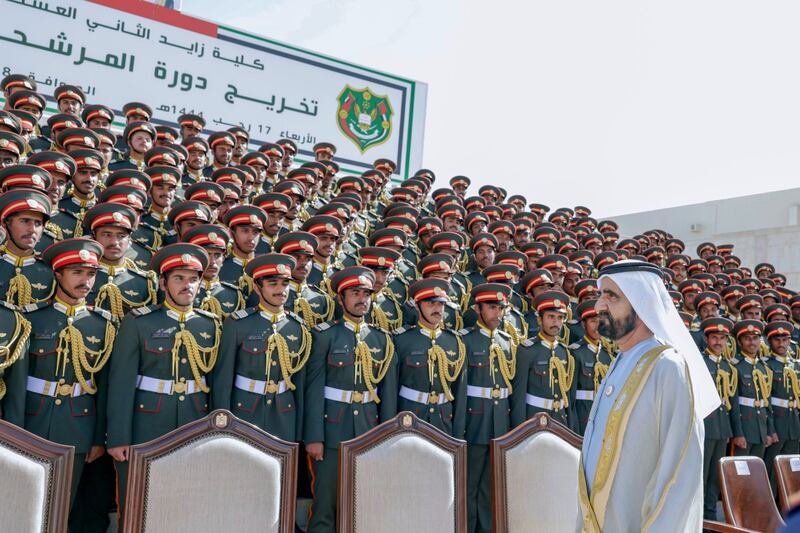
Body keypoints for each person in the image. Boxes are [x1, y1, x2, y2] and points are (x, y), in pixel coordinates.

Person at [578, 260, 719, 533]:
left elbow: (679, 477)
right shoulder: (621, 361)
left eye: (611, 296)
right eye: (600, 295)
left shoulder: (667, 367)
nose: (598, 306)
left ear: (642, 303)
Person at [106, 243, 222, 520]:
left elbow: (216, 383)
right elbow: (121, 383)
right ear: (162, 282)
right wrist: (119, 437)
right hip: (147, 424)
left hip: (194, 423)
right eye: (179, 278)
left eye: (193, 279)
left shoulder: (211, 324)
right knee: (138, 503)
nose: (187, 286)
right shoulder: (139, 321)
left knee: (187, 502)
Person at [303, 266, 398, 533]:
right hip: (331, 430)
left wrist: (386, 438)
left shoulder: (382, 339)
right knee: (325, 504)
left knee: (363, 502)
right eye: (355, 293)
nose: (362, 299)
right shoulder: (324, 336)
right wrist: (314, 437)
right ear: (340, 298)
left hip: (367, 431)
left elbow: (386, 395)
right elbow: (314, 390)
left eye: (366, 293)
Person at [212, 253, 310, 441]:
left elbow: (300, 384)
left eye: (285, 284)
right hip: (244, 411)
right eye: (273, 284)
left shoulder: (299, 327)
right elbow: (223, 379)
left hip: (284, 414)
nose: (280, 290)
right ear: (257, 288)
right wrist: (222, 422)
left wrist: (299, 432)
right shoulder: (238, 324)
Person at [460, 283, 515, 533]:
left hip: (499, 423)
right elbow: (460, 392)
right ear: (477, 308)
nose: (497, 314)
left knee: (492, 487)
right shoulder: (465, 341)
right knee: (469, 486)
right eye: (492, 308)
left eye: (500, 308)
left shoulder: (507, 342)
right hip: (474, 422)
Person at [393, 278, 467, 437]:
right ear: (418, 306)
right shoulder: (401, 340)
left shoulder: (455, 342)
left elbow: (459, 394)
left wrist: (458, 436)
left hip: (443, 421)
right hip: (409, 420)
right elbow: (391, 390)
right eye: (430, 304)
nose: (437, 309)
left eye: (440, 304)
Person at [698, 316, 739, 520]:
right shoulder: (699, 362)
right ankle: (698, 520)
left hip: (722, 429)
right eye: (714, 337)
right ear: (706, 339)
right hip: (705, 427)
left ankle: (711, 518)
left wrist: (735, 431)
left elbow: (734, 402)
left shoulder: (728, 367)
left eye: (723, 338)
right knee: (701, 477)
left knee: (715, 478)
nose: (719, 342)